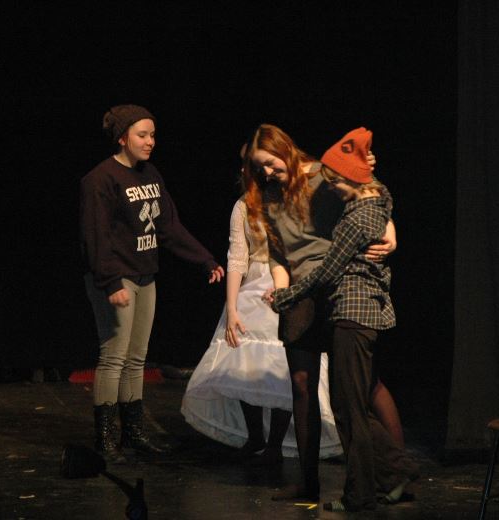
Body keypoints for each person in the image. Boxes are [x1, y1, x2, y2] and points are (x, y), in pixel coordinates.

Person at [241, 124, 400, 502]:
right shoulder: (266, 196)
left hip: (338, 283)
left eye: (270, 163)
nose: (266, 172)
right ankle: (308, 481)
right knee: (301, 385)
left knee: (363, 387)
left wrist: (391, 231)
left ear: (286, 150)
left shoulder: (322, 176)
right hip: (300, 292)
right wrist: (282, 289)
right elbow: (279, 253)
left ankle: (395, 472)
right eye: (258, 168)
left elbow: (370, 194)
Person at [80, 104, 224, 464]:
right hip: (116, 277)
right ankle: (106, 437)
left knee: (136, 358)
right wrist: (111, 281)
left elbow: (168, 227)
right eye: (142, 135)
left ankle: (134, 432)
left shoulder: (150, 175)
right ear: (123, 137)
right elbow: (95, 237)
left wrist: (204, 258)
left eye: (153, 135)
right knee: (114, 356)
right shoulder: (100, 179)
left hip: (146, 274)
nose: (150, 142)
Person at [181, 146, 342, 465]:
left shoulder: (292, 200)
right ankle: (256, 436)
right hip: (252, 290)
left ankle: (274, 443)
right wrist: (231, 308)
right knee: (246, 365)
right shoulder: (243, 206)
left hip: (286, 287)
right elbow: (237, 258)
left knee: (283, 367)